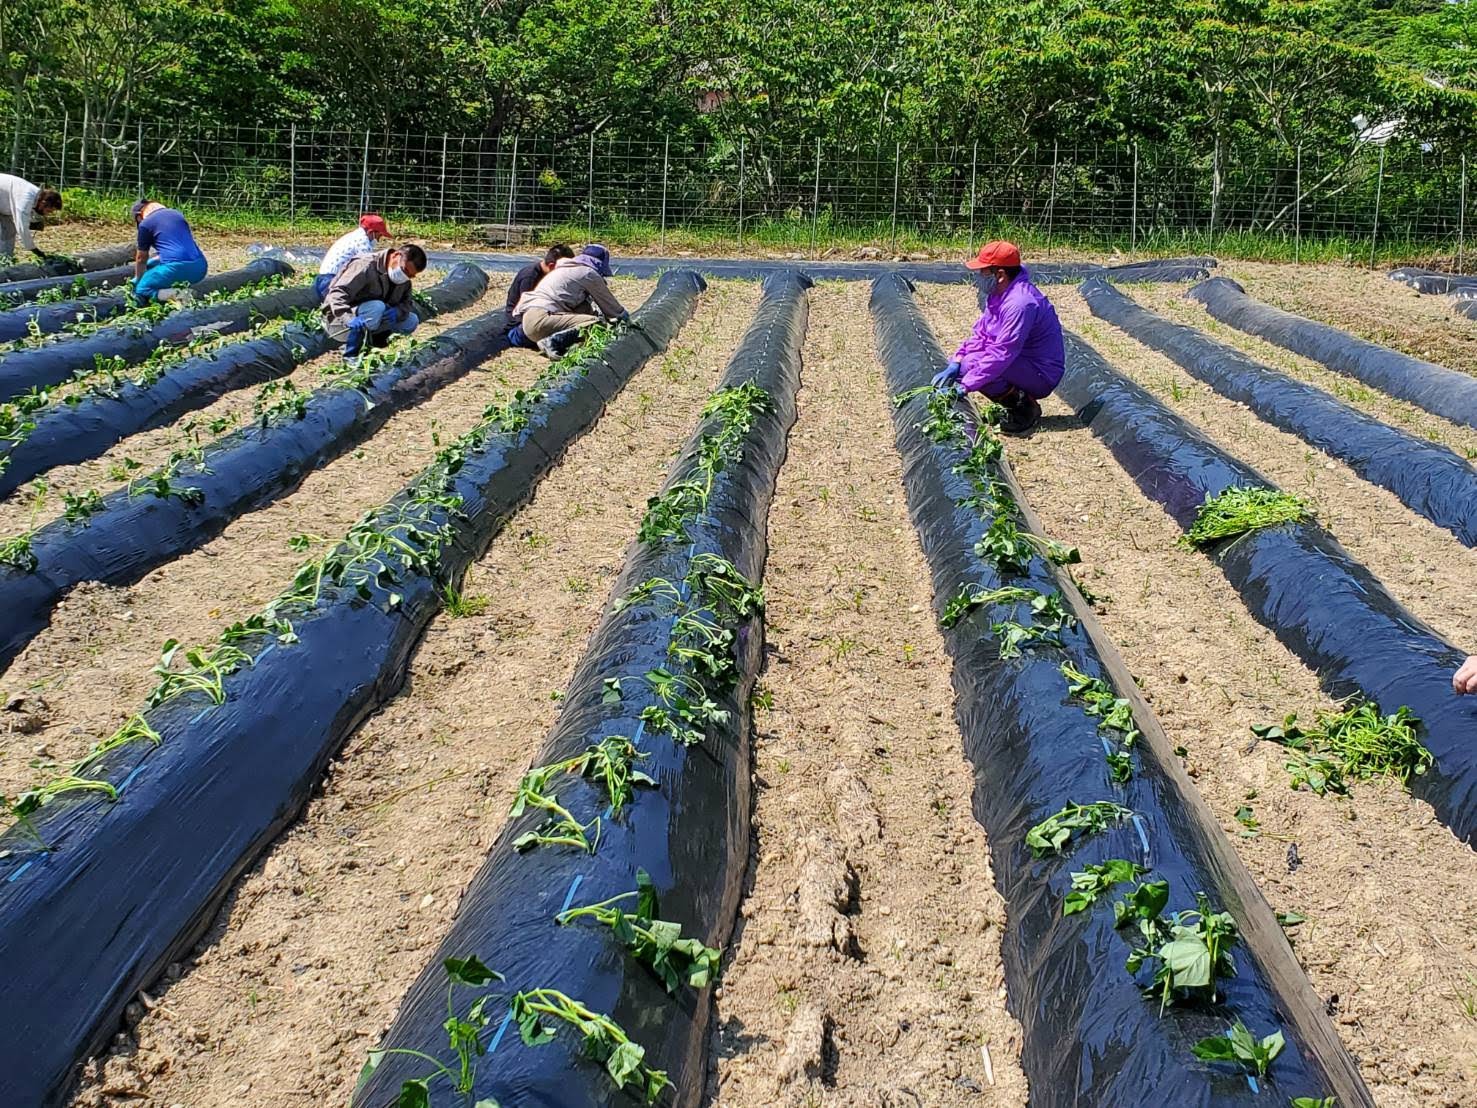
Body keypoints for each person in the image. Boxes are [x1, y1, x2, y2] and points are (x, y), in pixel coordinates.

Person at [932, 240, 1066, 435]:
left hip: (1041, 373)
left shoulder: (1020, 304)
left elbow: (1003, 352)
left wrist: (966, 386)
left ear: (1000, 274)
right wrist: (956, 360)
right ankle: (1015, 400)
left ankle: (1024, 409)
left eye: (983, 272)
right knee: (965, 365)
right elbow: (981, 335)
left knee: (974, 367)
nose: (978, 276)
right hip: (1021, 362)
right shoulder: (998, 295)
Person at [508, 243, 628, 358]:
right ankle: (553, 342)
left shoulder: (564, 270)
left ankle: (551, 340)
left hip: (529, 321)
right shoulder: (588, 273)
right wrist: (628, 322)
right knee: (596, 324)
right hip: (540, 321)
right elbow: (614, 311)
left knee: (584, 308)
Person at [320, 243, 426, 365]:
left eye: (410, 275)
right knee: (377, 307)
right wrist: (348, 318)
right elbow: (336, 294)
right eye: (404, 270)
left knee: (411, 320)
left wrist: (398, 311)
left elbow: (407, 303)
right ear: (396, 255)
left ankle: (372, 343)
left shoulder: (404, 279)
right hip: (340, 321)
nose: (405, 276)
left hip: (372, 319)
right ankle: (351, 351)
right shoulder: (365, 265)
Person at [131, 198, 209, 304]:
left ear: (139, 216)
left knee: (142, 289)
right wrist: (152, 263)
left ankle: (179, 295)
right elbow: (175, 249)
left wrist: (138, 279)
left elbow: (141, 258)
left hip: (175, 268)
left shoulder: (145, 224)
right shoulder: (177, 214)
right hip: (200, 268)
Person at [315, 214, 391, 300]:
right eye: (379, 235)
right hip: (329, 282)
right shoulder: (362, 242)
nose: (378, 240)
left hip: (323, 280)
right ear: (371, 232)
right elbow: (368, 268)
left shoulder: (354, 236)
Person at [0, 174, 62, 262]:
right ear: (43, 203)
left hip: (3, 206)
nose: (47, 214)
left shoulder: (34, 195)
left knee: (9, 231)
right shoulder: (25, 199)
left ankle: (5, 260)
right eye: (48, 211)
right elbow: (22, 228)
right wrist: (34, 250)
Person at [506, 243, 574, 316]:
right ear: (551, 266)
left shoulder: (545, 274)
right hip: (518, 316)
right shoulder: (530, 277)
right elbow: (525, 306)